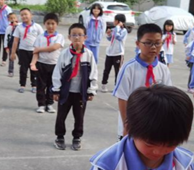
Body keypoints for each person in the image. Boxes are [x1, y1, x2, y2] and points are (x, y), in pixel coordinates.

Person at [113, 23, 172, 139]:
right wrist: (126, 125)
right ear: (138, 44)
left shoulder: (163, 69)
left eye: (157, 43)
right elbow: (122, 97)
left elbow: (167, 97)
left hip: (154, 125)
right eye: (148, 43)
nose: (153, 47)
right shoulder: (129, 68)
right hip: (132, 125)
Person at [52, 23, 98, 151]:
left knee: (79, 116)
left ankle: (77, 137)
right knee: (61, 115)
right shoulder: (64, 54)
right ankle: (59, 137)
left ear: (85, 37)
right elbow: (57, 72)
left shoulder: (88, 54)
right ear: (69, 37)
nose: (77, 37)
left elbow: (93, 72)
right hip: (65, 92)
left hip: (80, 92)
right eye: (74, 35)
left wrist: (91, 90)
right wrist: (56, 89)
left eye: (80, 35)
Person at [30, 13, 65, 113]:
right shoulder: (40, 37)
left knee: (52, 85)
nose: (50, 26)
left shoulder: (59, 36)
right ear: (44, 24)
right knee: (41, 86)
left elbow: (54, 48)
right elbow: (35, 53)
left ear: (57, 24)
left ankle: (49, 104)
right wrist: (33, 63)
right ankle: (41, 104)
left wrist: (39, 49)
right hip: (41, 64)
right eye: (48, 23)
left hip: (54, 65)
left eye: (53, 23)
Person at [11, 8, 43, 93]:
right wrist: (13, 53)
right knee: (23, 69)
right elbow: (15, 41)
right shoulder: (19, 27)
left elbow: (42, 39)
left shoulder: (37, 27)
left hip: (34, 52)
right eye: (22, 15)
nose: (24, 16)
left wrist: (41, 51)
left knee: (34, 69)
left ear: (31, 15)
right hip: (23, 51)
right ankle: (22, 85)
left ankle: (34, 85)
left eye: (26, 14)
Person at [100, 14, 127, 93]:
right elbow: (110, 38)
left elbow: (119, 37)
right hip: (110, 52)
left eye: (115, 20)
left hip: (118, 53)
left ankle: (117, 86)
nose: (113, 22)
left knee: (117, 71)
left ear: (119, 22)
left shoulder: (123, 30)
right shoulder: (115, 29)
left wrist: (117, 28)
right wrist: (109, 34)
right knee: (106, 69)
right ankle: (104, 85)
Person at [4, 12, 18, 78]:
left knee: (22, 59)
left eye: (14, 18)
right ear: (9, 19)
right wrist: (6, 47)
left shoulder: (20, 26)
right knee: (11, 58)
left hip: (19, 45)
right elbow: (6, 37)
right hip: (11, 45)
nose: (13, 19)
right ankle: (10, 71)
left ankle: (24, 71)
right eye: (11, 18)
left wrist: (16, 25)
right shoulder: (8, 28)